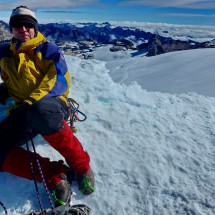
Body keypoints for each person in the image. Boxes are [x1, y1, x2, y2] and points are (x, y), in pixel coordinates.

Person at [0, 5, 95, 206]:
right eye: (18, 25)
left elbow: (58, 81)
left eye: (28, 25)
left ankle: (82, 167)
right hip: (25, 110)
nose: (23, 29)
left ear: (35, 28)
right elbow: (13, 81)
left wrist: (32, 101)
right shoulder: (4, 53)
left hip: (52, 105)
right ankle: (56, 175)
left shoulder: (48, 50)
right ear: (12, 28)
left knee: (40, 110)